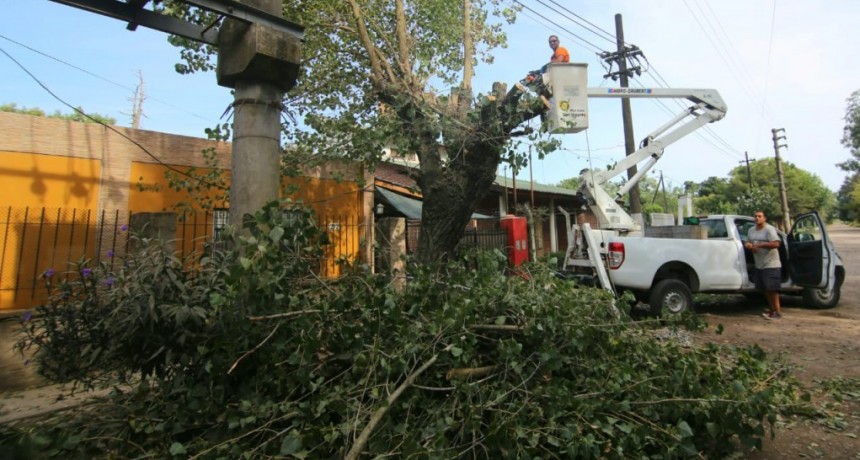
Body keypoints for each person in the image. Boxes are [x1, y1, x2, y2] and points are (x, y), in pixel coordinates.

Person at [745, 210, 783, 320]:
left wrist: (761, 245)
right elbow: (747, 242)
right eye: (755, 216)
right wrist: (749, 245)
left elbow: (776, 243)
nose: (757, 218)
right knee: (765, 289)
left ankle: (778, 312)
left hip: (771, 263)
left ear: (765, 218)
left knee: (772, 289)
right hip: (759, 264)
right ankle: (772, 311)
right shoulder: (751, 230)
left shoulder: (769, 229)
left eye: (760, 216)